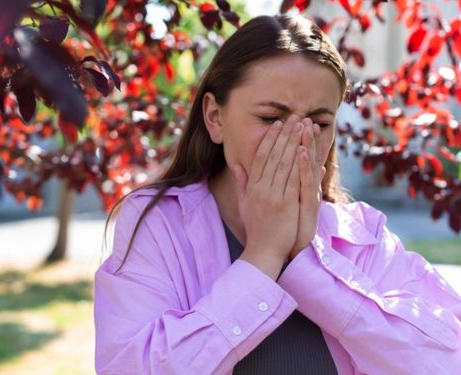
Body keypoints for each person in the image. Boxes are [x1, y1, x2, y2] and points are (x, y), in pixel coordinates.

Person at [93, 14, 461, 375]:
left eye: (319, 123)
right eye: (270, 119)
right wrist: (262, 258)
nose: (298, 140)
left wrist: (311, 269)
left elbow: (448, 360)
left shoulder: (363, 236)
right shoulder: (157, 223)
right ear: (215, 117)